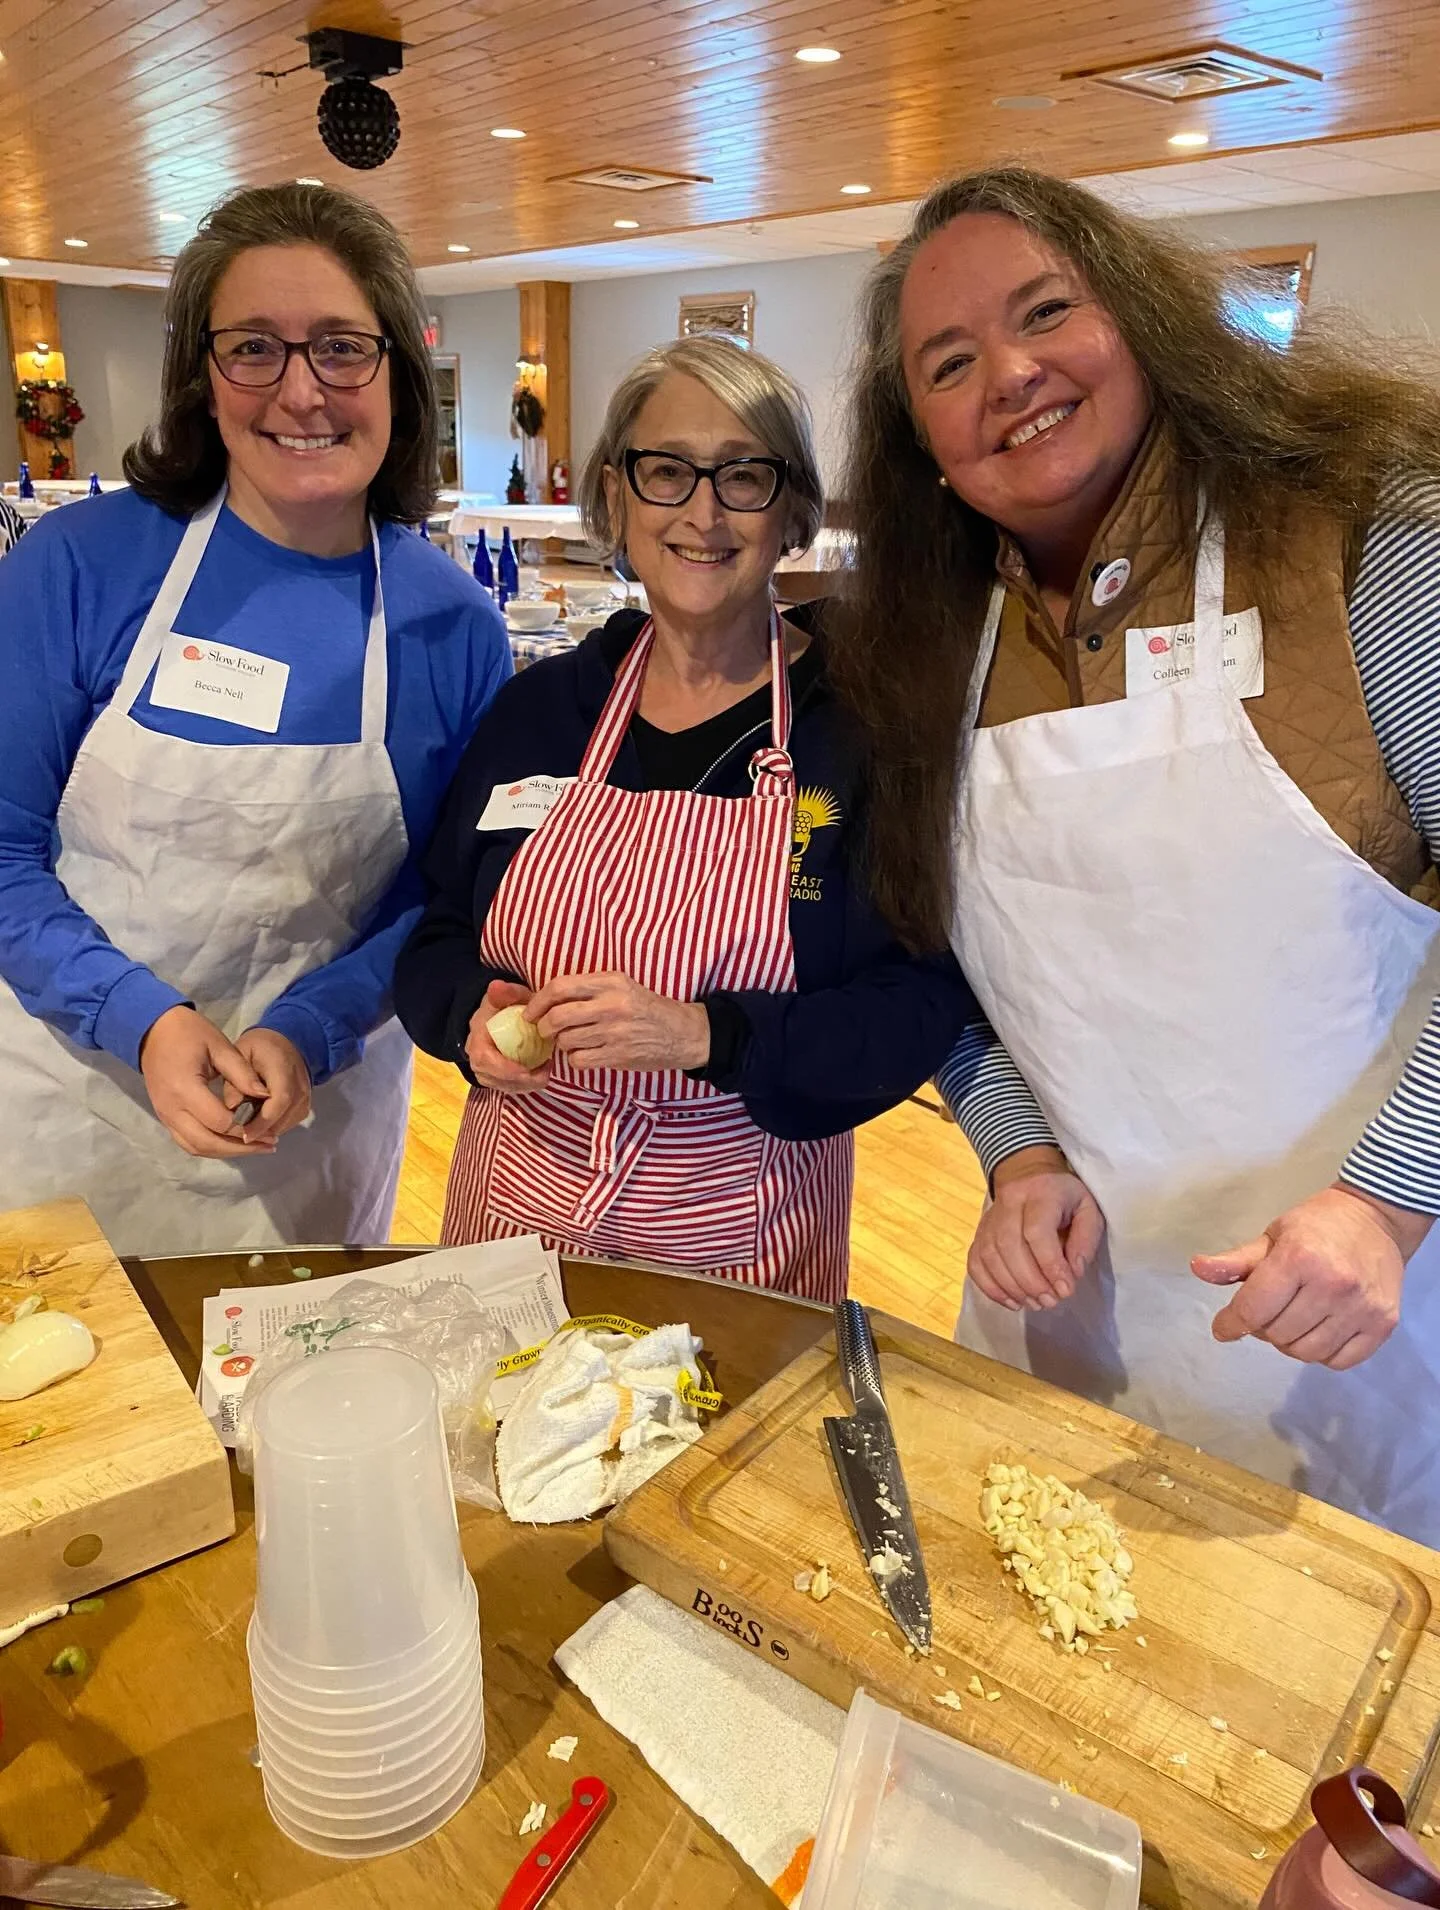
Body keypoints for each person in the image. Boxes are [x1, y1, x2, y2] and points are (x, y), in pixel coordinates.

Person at [833, 165, 1440, 1544]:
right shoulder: (925, 644)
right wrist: (1017, 1153)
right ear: (920, 436)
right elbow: (935, 964)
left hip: (1384, 1337)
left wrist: (1389, 1203)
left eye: (1048, 311)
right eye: (948, 363)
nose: (1012, 374)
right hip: (1082, 1323)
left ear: (1147, 320)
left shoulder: (1363, 538)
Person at [395, 336, 973, 1299]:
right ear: (614, 496)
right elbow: (439, 929)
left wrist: (712, 1037)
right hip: (514, 1222)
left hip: (743, 1242)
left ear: (794, 512)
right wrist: (468, 1016)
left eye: (743, 475)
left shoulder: (862, 733)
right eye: (666, 471)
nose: (703, 513)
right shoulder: (540, 713)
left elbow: (916, 1003)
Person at [0, 182, 510, 1254]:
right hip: (71, 1113)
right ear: (203, 373)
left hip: (310, 1135)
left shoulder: (454, 626)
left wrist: (310, 1026)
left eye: (341, 348)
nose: (301, 391)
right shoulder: (79, 567)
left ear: (396, 370)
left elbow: (445, 895)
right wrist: (142, 1020)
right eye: (254, 349)